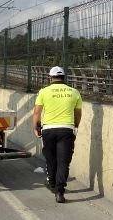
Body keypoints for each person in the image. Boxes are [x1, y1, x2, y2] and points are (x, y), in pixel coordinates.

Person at [32, 66, 82, 203]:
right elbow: (78, 114)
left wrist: (35, 127)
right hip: (66, 129)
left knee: (51, 159)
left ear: (50, 78)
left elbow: (37, 112)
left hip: (48, 129)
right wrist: (75, 126)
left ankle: (52, 182)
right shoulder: (74, 92)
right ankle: (59, 192)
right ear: (64, 77)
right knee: (63, 162)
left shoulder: (44, 92)